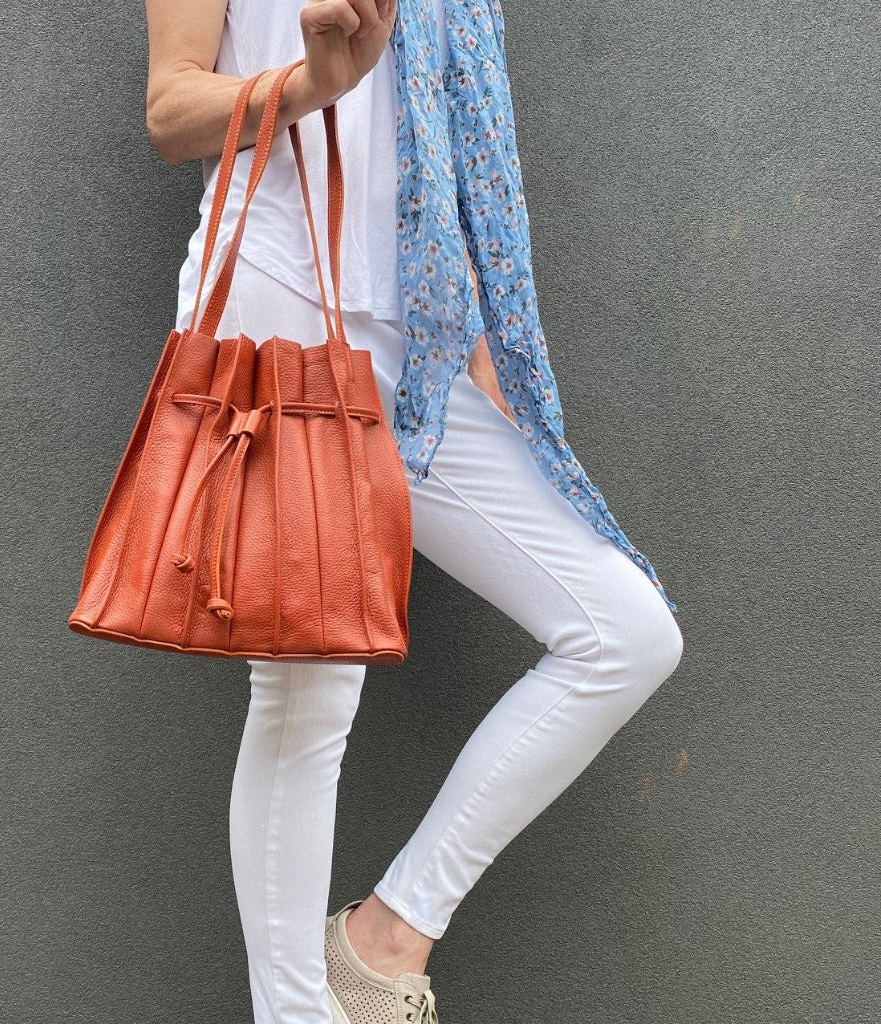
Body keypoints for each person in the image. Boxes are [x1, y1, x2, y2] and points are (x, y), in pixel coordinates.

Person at [144, 2, 685, 1023]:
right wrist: (308, 86)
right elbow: (171, 108)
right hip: (278, 325)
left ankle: (385, 935)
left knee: (623, 633)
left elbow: (441, 128)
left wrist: (472, 316)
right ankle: (295, 1013)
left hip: (421, 341)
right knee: (308, 695)